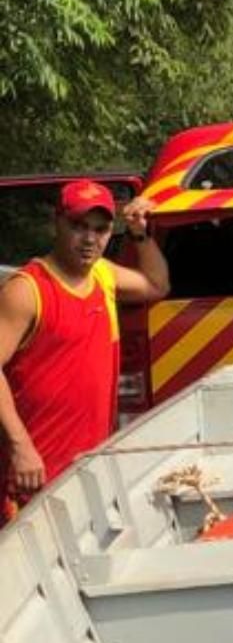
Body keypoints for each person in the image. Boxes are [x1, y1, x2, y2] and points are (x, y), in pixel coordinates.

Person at [0, 181, 169, 519]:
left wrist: (139, 234)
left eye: (101, 229)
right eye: (78, 226)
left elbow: (156, 284)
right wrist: (21, 448)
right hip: (32, 474)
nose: (90, 239)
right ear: (57, 222)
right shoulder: (27, 289)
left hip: (85, 468)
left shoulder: (103, 275)